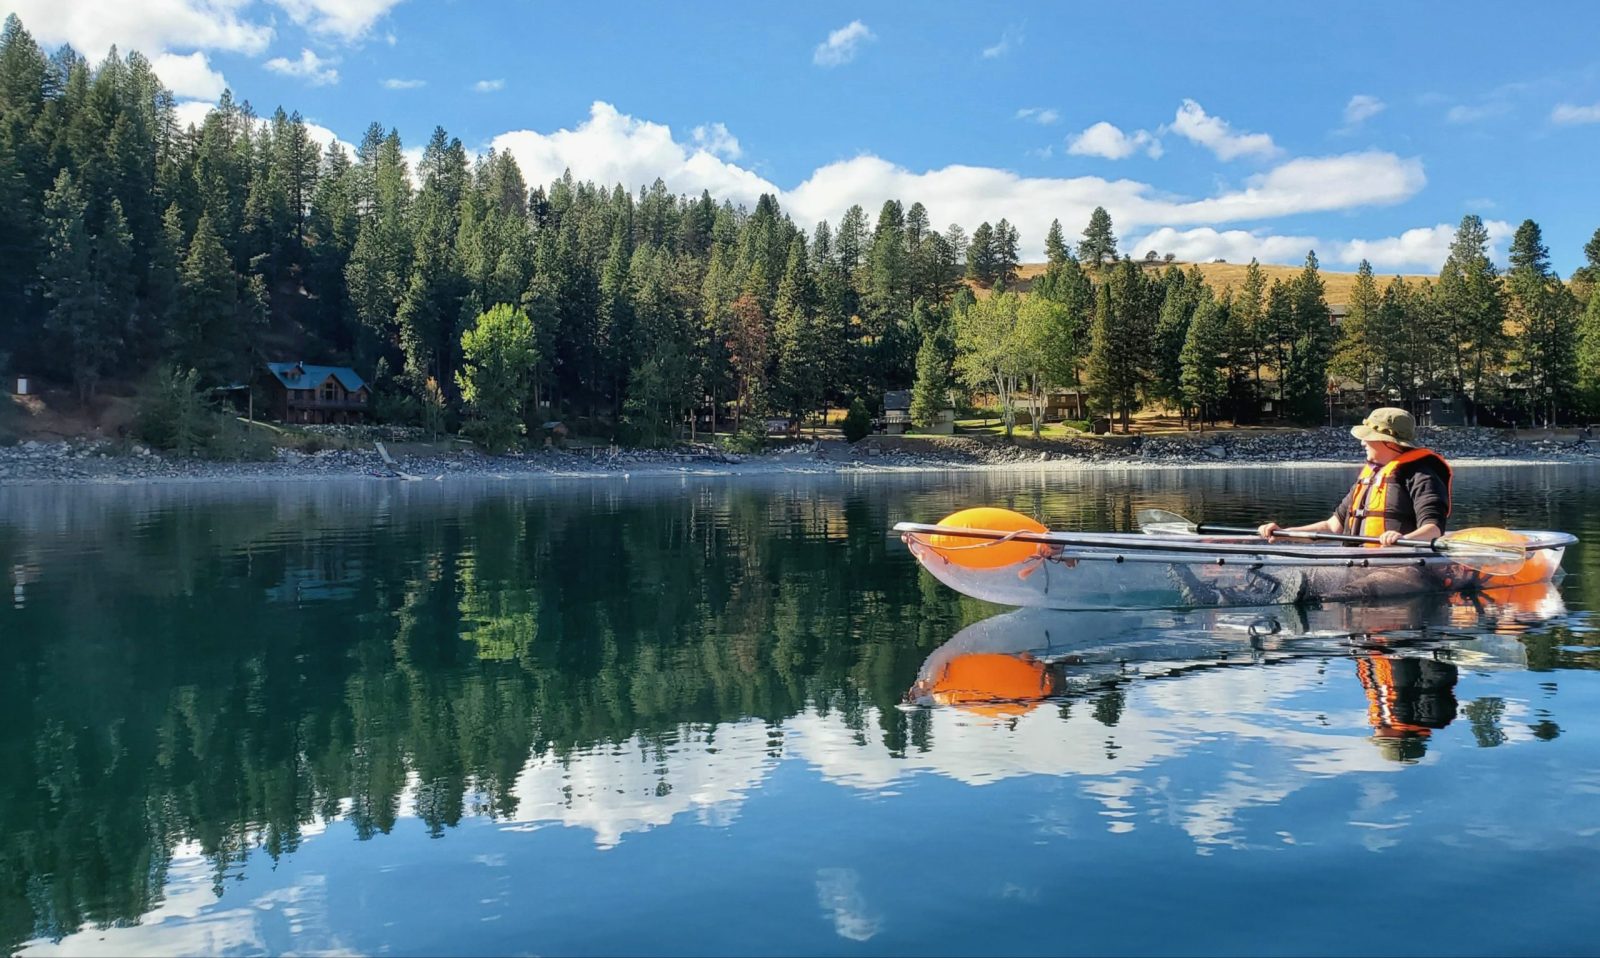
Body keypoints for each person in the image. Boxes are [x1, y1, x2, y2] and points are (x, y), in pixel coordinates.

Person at [1258, 407, 1451, 547]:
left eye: (1368, 437)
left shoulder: (1422, 475)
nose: (1362, 443)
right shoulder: (1371, 477)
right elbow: (1332, 527)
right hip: (1358, 566)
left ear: (1388, 442)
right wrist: (1284, 533)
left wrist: (1402, 539)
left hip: (1402, 567)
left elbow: (1433, 529)